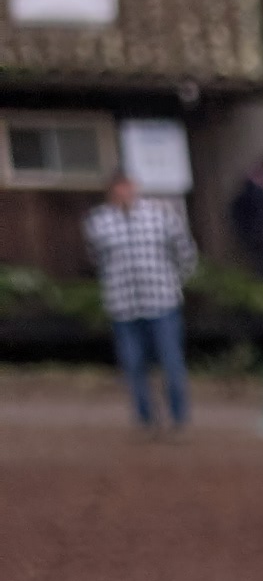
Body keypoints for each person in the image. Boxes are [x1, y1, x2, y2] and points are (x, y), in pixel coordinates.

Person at [83, 171, 196, 435]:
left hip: (162, 300)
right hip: (123, 305)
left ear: (134, 187)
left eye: (126, 187)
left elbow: (185, 252)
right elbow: (96, 259)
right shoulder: (98, 222)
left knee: (171, 362)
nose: (122, 193)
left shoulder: (160, 216)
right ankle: (145, 419)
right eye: (117, 188)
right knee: (133, 365)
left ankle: (179, 418)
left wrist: (175, 281)